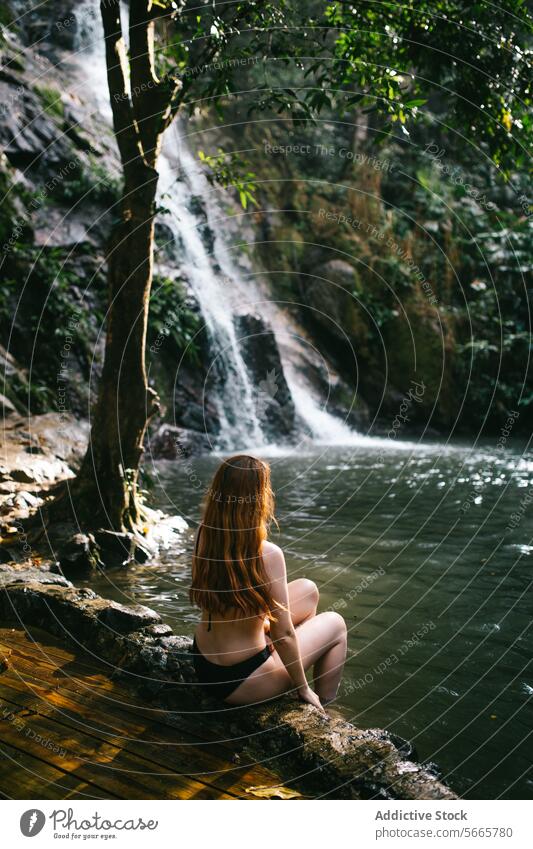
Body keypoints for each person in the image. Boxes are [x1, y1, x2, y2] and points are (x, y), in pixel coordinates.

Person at [189, 454, 347, 711]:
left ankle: (268, 651)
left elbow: (224, 594)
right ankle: (325, 708)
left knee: (307, 590)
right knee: (336, 625)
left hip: (203, 662)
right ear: (259, 497)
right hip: (243, 679)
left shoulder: (204, 533)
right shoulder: (268, 554)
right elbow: (283, 635)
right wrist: (302, 687)